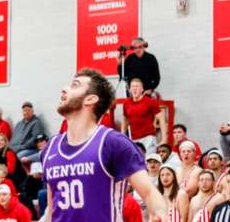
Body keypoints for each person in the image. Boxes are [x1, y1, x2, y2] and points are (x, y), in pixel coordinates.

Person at [42, 68, 167, 221]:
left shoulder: (113, 143)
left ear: (90, 99)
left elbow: (149, 193)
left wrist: (160, 213)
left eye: (75, 85)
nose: (64, 88)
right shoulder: (50, 148)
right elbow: (51, 210)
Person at [123, 78, 160, 155]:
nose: (134, 88)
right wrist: (122, 136)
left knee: (148, 161)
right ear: (129, 89)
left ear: (142, 89)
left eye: (137, 86)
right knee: (137, 162)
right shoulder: (126, 103)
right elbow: (125, 121)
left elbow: (161, 117)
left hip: (148, 137)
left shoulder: (150, 101)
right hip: (134, 138)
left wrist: (164, 138)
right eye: (132, 86)